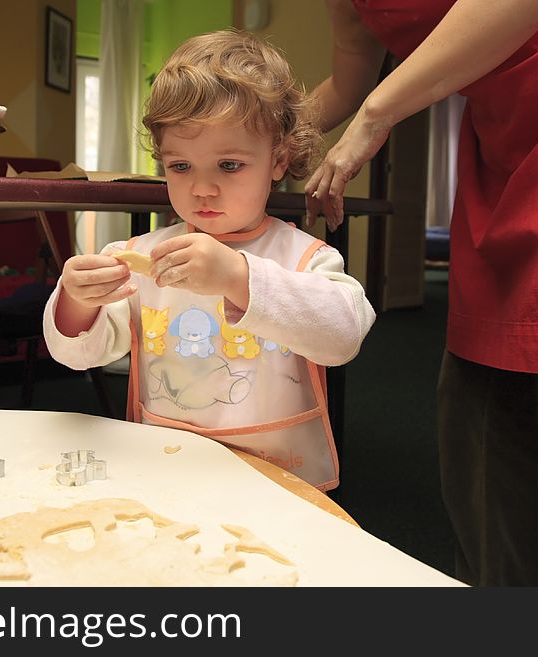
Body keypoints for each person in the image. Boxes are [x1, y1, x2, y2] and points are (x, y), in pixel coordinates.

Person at [305, 0, 538, 586]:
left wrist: (378, 115)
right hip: (508, 135)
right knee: (481, 386)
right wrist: (241, 121)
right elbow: (348, 81)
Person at [43, 29, 377, 492]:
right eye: (180, 167)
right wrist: (78, 301)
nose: (202, 188)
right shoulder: (140, 256)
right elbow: (80, 354)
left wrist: (237, 277)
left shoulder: (304, 258)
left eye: (229, 165)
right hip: (166, 465)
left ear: (278, 160)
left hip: (280, 476)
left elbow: (343, 337)